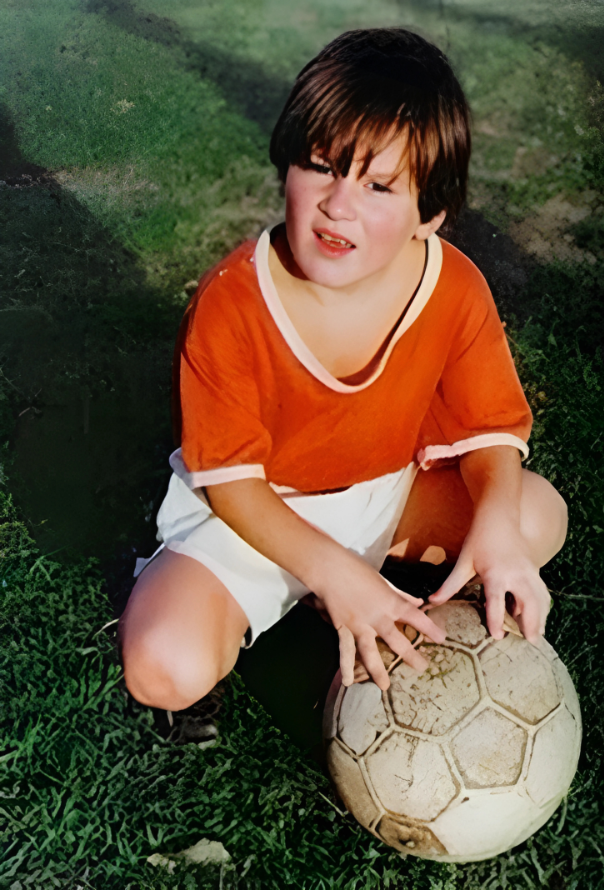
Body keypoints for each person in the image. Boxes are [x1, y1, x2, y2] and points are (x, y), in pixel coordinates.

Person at [119, 28, 568, 712]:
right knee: (163, 668)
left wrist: (498, 527)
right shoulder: (233, 302)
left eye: (380, 185)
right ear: (286, 169)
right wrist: (332, 571)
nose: (339, 203)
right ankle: (308, 595)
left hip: (385, 496)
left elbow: (490, 429)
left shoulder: (452, 286)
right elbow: (235, 488)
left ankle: (375, 590)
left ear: (431, 214)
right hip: (259, 519)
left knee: (535, 516)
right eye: (321, 166)